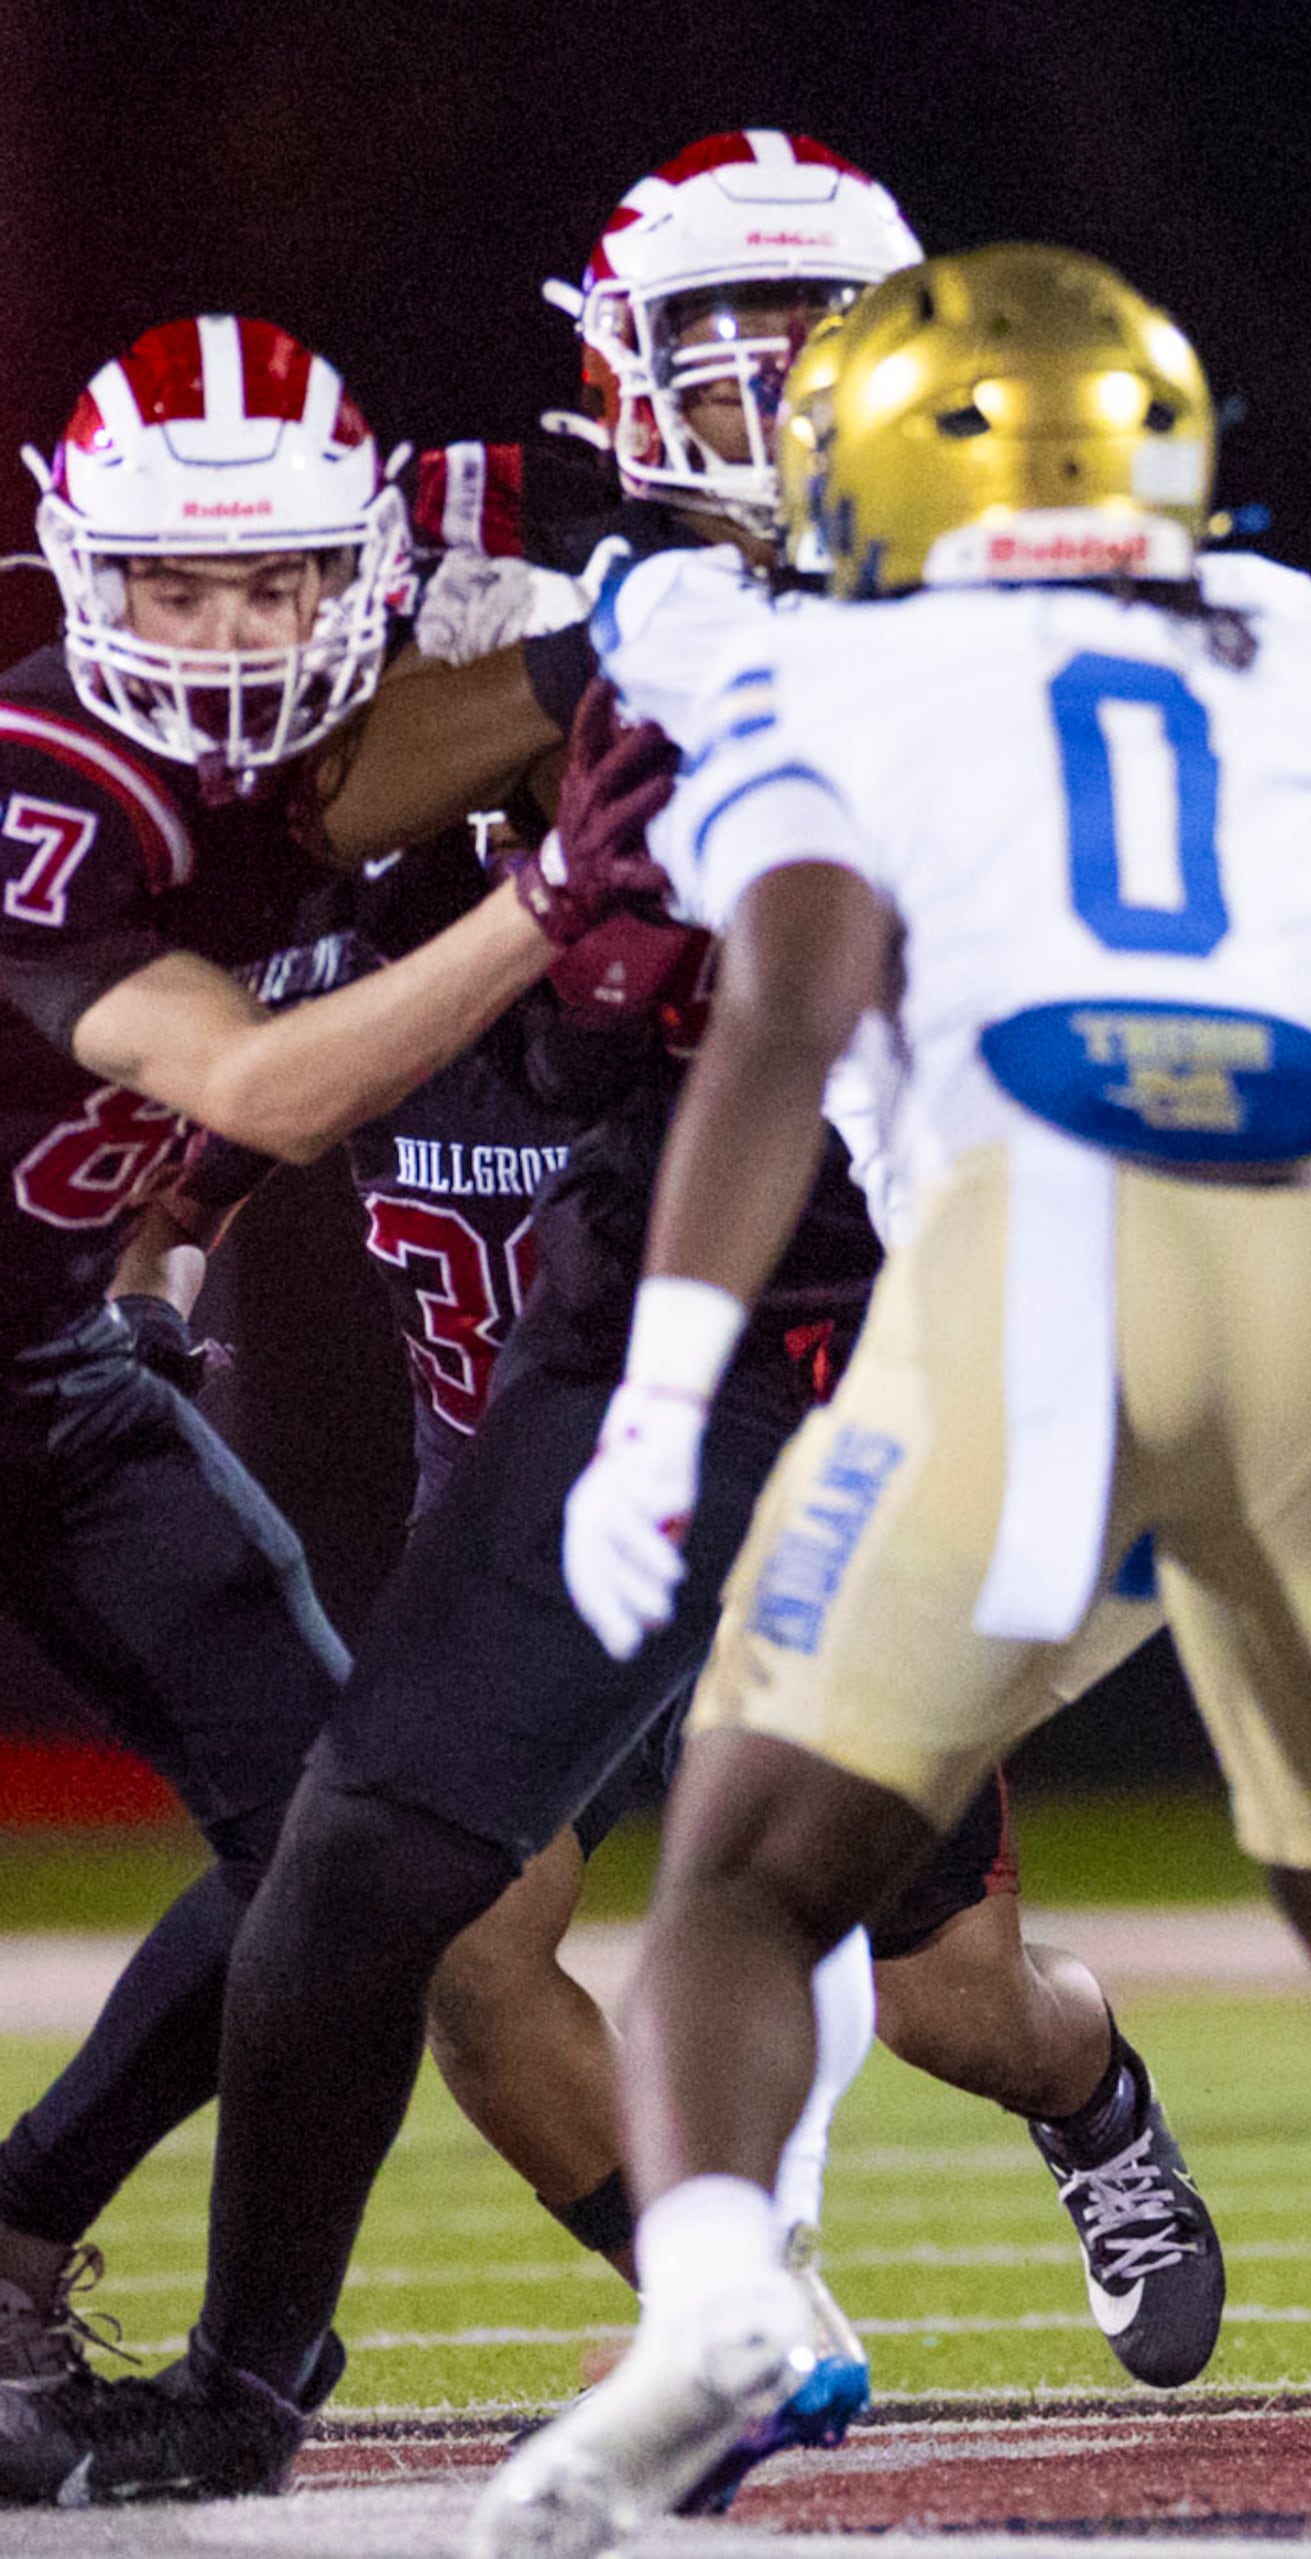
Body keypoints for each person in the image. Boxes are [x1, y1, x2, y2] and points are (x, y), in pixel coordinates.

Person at [477, 244, 1311, 2557]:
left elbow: (782, 1011)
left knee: (749, 1869)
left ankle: (714, 2305)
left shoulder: (820, 655)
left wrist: (665, 1385)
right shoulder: (1299, 654)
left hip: (1036, 1230)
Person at [0, 312, 641, 2489]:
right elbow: (265, 1072)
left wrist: (631, 622)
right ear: (86, 580)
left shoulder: (291, 745)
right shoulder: (44, 781)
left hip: (45, 1369)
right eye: (176, 585)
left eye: (275, 578)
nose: (228, 628)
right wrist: (554, 892)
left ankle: (30, 2250)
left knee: (352, 1851)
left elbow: (499, 584)